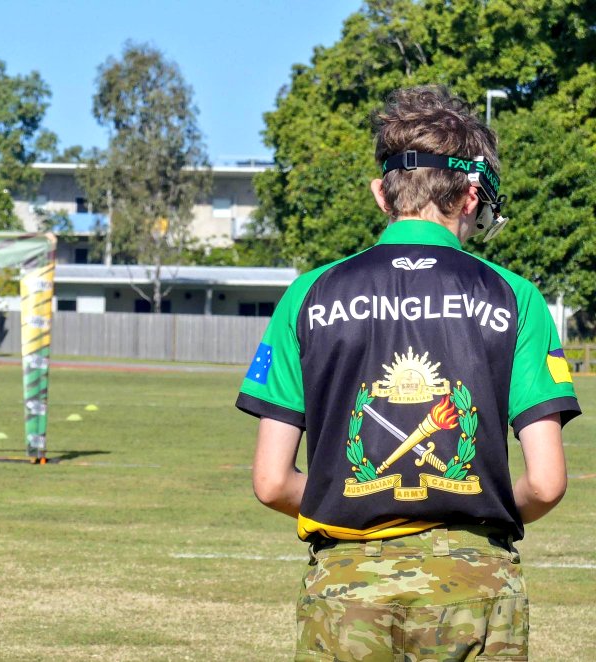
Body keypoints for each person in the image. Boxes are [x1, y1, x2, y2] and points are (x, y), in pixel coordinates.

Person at [236, 86, 580, 661]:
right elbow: (546, 483)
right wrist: (471, 509)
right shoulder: (517, 298)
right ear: (472, 196)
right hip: (476, 587)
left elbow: (272, 482)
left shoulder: (307, 295)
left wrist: (351, 503)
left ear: (381, 194)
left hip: (347, 591)